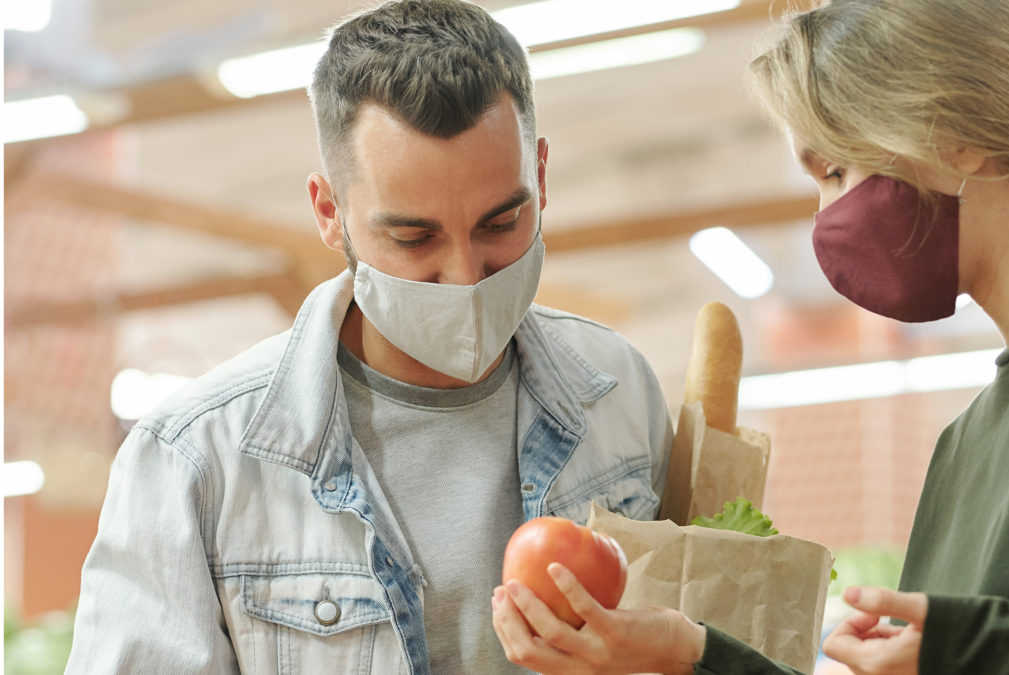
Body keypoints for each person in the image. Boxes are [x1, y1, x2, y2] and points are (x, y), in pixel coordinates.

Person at [65, 1, 673, 672]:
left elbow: (707, 630)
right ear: (330, 213)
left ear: (542, 175)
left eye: (500, 223)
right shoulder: (195, 463)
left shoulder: (619, 397)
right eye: (414, 237)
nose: (464, 275)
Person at [492, 0, 1009, 672]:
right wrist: (690, 653)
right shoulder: (965, 444)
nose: (827, 216)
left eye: (834, 172)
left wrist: (967, 652)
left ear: (958, 130)